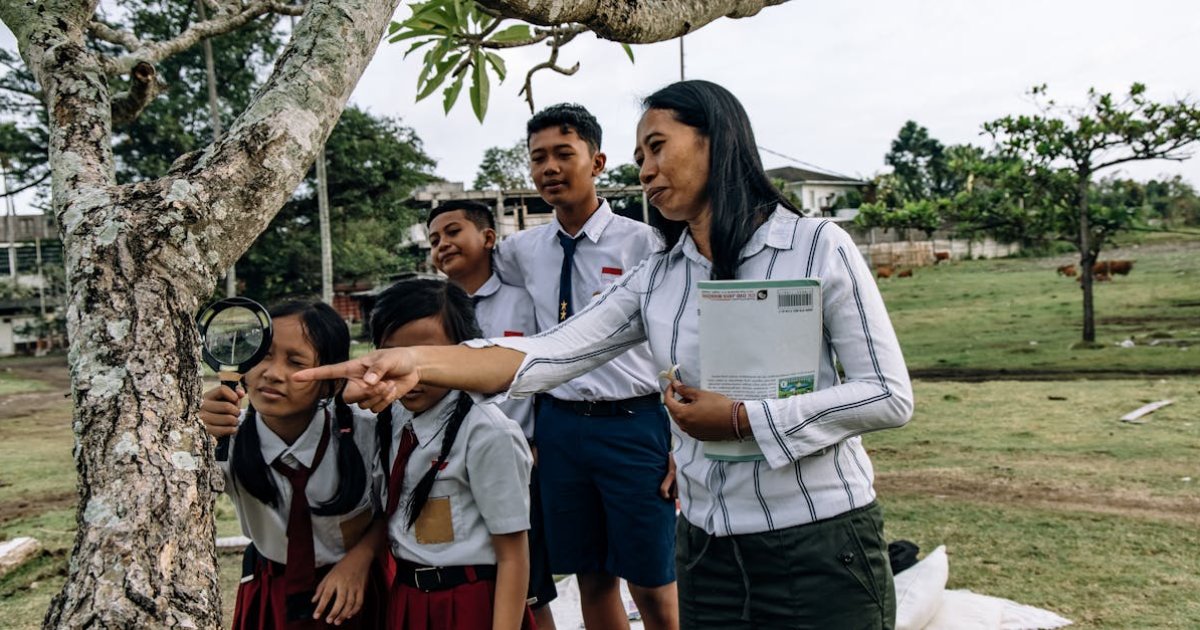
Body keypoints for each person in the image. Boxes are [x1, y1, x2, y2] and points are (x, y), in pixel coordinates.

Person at [296, 80, 913, 629]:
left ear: (718, 141)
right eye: (640, 154)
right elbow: (547, 353)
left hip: (816, 536)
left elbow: (888, 394)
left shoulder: (815, 247)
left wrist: (742, 420)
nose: (644, 168)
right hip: (706, 548)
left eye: (657, 147)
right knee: (594, 575)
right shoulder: (658, 275)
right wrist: (420, 363)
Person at [492, 103, 679, 630]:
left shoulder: (646, 243)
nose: (549, 168)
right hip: (560, 429)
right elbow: (476, 283)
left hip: (634, 424)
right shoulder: (521, 251)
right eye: (537, 158)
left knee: (653, 579)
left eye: (562, 154)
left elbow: (683, 337)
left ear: (597, 161)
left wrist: (681, 445)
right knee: (592, 577)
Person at [198, 300, 385, 629]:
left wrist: (361, 558)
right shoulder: (224, 437)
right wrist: (190, 435)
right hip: (269, 592)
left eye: (295, 361)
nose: (272, 373)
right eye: (264, 354)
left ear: (331, 381)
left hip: (353, 589)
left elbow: (395, 506)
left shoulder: (365, 432)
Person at [369, 279, 535, 630]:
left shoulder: (488, 433)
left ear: (464, 353)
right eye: (394, 354)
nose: (408, 371)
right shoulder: (388, 420)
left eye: (425, 355)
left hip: (469, 604)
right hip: (407, 599)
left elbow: (513, 556)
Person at [426, 200, 558, 628]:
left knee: (530, 587)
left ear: (487, 238)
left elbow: (555, 371)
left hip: (516, 461)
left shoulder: (525, 302)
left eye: (452, 232)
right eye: (433, 240)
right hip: (448, 464)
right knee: (468, 577)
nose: (442, 244)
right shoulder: (433, 317)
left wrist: (539, 443)